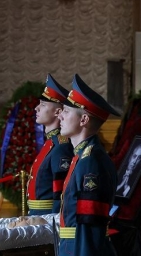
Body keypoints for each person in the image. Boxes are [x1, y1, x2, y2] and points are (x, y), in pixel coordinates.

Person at [58, 74, 120, 256]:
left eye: (66, 111)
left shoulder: (90, 162)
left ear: (84, 120)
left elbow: (89, 226)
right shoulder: (83, 157)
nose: (60, 115)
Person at [26, 74, 73, 215]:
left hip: (46, 216)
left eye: (43, 105)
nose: (36, 108)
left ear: (57, 112)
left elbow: (60, 193)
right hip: (37, 213)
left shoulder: (61, 146)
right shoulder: (50, 143)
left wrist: (52, 221)